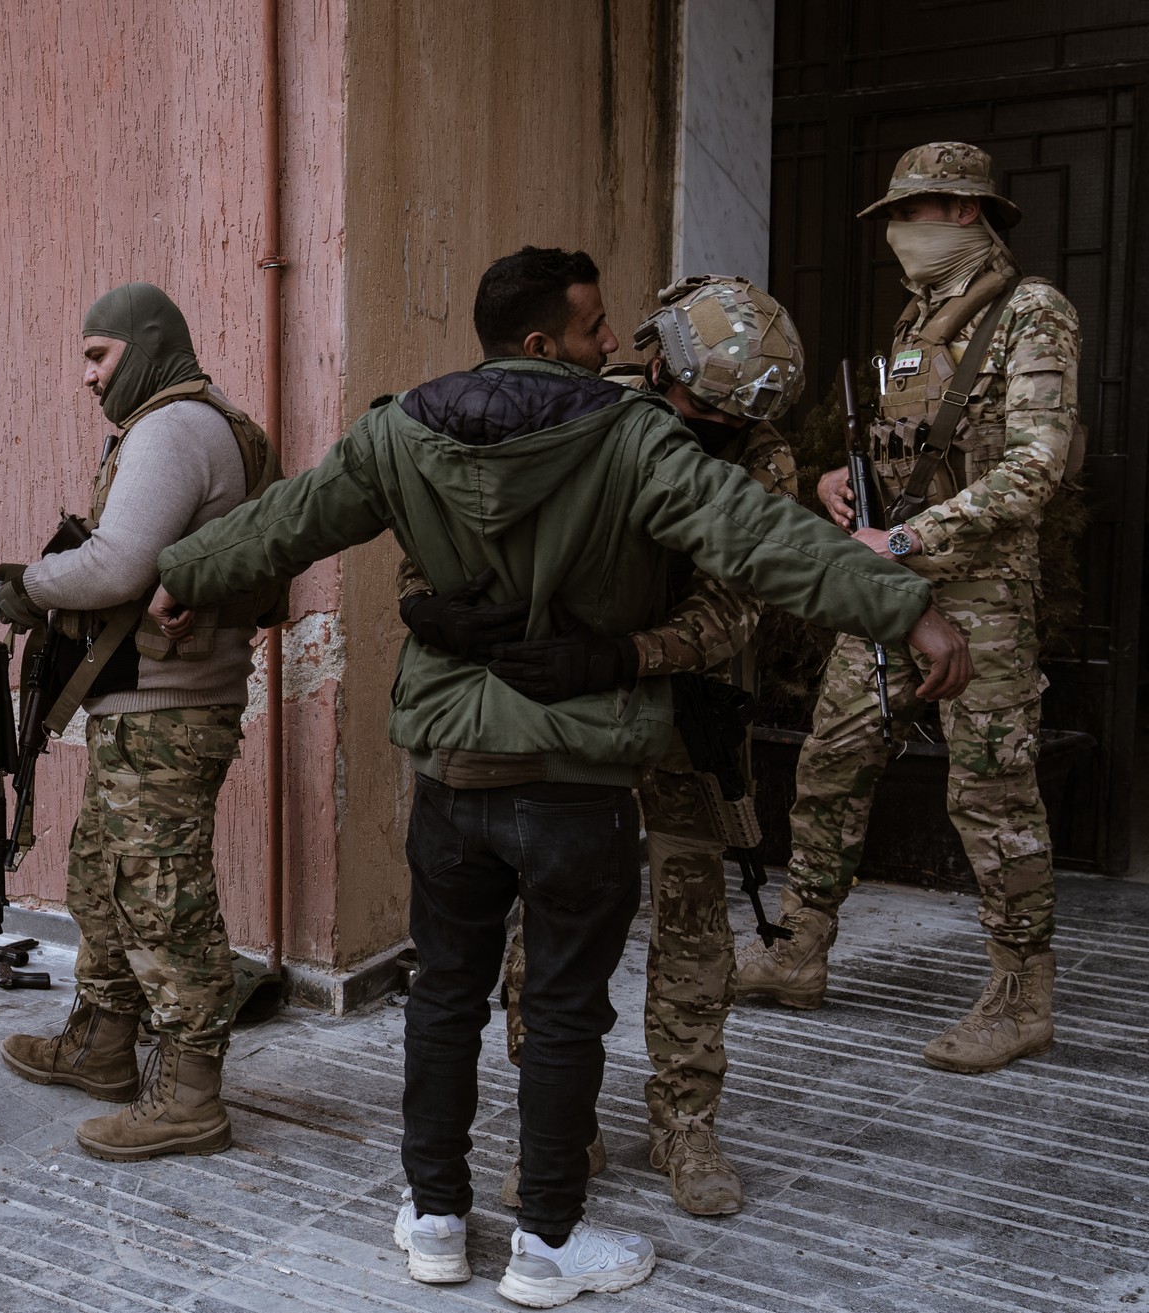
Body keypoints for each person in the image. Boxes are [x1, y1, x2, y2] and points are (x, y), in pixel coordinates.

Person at [149, 246, 969, 1307]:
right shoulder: (634, 441)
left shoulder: (402, 430)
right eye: (593, 330)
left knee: (443, 996)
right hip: (577, 777)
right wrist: (907, 606)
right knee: (569, 1008)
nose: (611, 346)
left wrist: (177, 575)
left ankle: (436, 1217)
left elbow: (283, 522)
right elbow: (772, 544)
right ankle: (544, 1244)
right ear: (542, 341)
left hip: (451, 766)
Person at [401, 275, 806, 1219]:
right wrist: (428, 597)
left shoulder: (760, 454)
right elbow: (461, 514)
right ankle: (560, 1125)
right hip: (561, 714)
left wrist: (627, 652)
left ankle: (686, 1121)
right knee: (543, 926)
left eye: (728, 416)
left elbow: (733, 605)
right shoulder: (583, 409)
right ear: (656, 358)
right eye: (699, 404)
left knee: (696, 920)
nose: (709, 425)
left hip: (678, 706)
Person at [736, 143, 1082, 1075]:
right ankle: (798, 949)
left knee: (992, 794)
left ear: (966, 212)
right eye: (895, 215)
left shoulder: (1031, 312)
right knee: (831, 761)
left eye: (914, 211)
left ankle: (1021, 997)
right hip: (891, 587)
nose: (900, 232)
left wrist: (911, 541)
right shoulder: (915, 320)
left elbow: (1038, 465)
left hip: (982, 598)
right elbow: (898, 449)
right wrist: (835, 487)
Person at [0, 282, 279, 1162]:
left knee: (162, 897)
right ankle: (104, 1045)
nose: (86, 377)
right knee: (102, 876)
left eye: (98, 356)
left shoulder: (173, 426)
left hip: (170, 707)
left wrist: (29, 583)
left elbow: (119, 564)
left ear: (148, 346)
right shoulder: (196, 421)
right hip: (151, 704)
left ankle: (189, 1092)